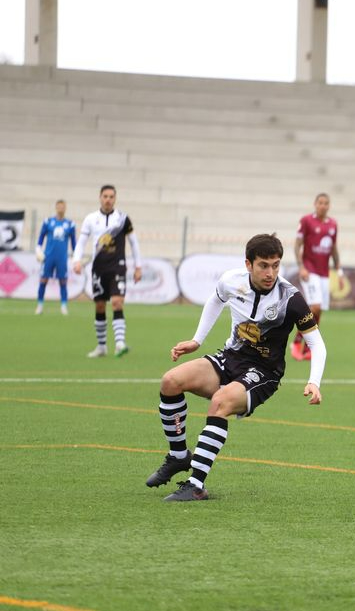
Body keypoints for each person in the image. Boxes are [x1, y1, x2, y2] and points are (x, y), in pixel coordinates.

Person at [146, 233, 328, 502]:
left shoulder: (291, 299)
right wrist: (197, 340)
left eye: (276, 265)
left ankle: (196, 486)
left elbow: (317, 344)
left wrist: (315, 381)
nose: (271, 272)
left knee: (220, 402)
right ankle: (178, 456)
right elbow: (216, 300)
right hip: (230, 357)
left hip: (264, 373)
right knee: (170, 381)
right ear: (248, 264)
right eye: (264, 265)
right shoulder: (231, 281)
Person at [72, 185, 142, 358]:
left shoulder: (123, 219)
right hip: (99, 268)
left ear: (115, 198)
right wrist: (76, 261)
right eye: (105, 196)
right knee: (100, 305)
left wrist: (138, 266)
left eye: (111, 196)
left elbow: (134, 243)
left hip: (117, 266)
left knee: (117, 302)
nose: (108, 199)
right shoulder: (90, 219)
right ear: (100, 197)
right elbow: (81, 242)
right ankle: (102, 347)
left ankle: (120, 344)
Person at [291, 192, 343, 361]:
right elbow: (297, 245)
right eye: (320, 202)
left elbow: (333, 249)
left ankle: (308, 348)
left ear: (329, 206)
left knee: (319, 310)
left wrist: (339, 271)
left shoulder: (333, 224)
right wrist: (301, 267)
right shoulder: (306, 221)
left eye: (326, 203)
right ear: (315, 204)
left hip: (324, 272)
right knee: (315, 306)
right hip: (310, 269)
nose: (323, 205)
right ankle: (297, 342)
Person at [35, 199, 76, 315]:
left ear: (65, 208)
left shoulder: (70, 224)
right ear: (56, 207)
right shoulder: (48, 222)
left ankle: (63, 306)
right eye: (59, 206)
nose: (61, 209)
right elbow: (41, 237)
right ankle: (40, 305)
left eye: (63, 207)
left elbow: (73, 242)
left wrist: (75, 256)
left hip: (62, 258)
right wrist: (38, 249)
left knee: (63, 281)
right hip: (48, 257)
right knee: (43, 280)